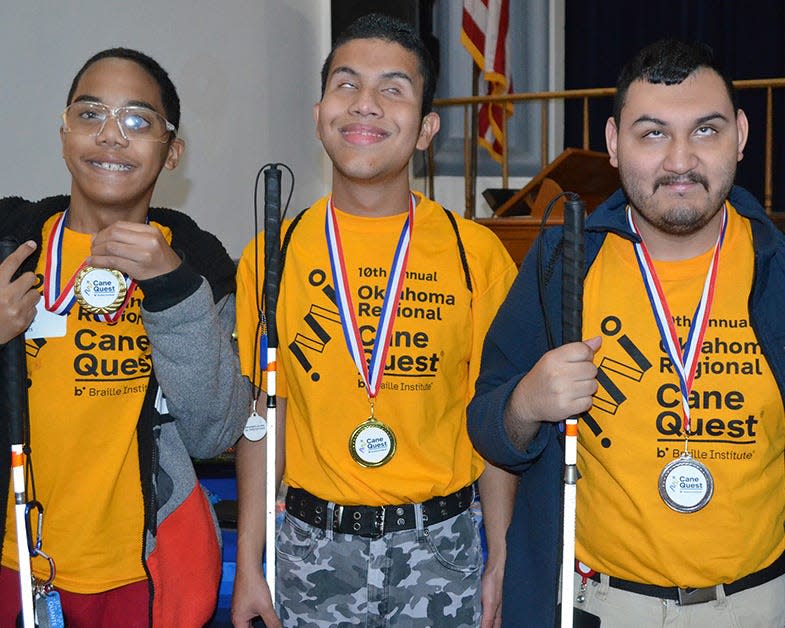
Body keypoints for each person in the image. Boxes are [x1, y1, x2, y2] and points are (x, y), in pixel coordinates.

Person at [467, 38, 785, 627]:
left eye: (707, 131)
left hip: (762, 605)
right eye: (654, 133)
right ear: (614, 143)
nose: (681, 160)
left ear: (741, 135)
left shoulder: (777, 268)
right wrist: (528, 400)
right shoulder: (564, 261)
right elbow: (489, 425)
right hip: (603, 607)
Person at [232, 13, 519, 628]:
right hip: (312, 550)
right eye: (346, 85)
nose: (366, 105)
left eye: (393, 89)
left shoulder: (477, 256)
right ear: (318, 114)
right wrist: (252, 563)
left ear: (425, 129)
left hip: (442, 548)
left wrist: (500, 559)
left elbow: (492, 413)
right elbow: (265, 413)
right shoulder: (271, 255)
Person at [0, 48, 248, 626]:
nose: (110, 136)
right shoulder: (9, 250)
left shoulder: (199, 268)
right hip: (11, 556)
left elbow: (216, 429)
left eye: (137, 121)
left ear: (172, 150)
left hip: (143, 569)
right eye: (90, 115)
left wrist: (174, 293)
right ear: (64, 134)